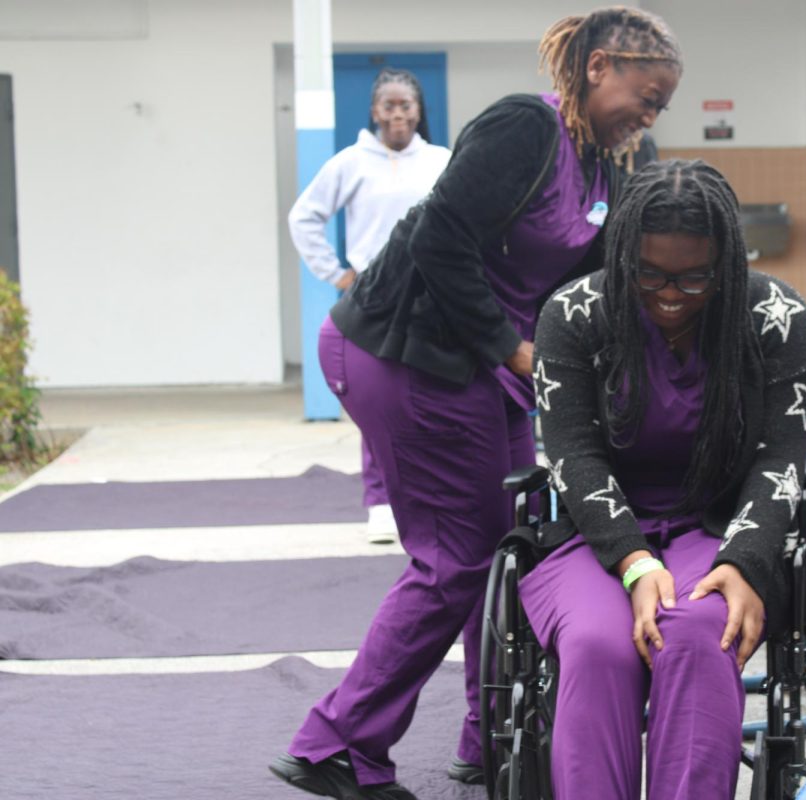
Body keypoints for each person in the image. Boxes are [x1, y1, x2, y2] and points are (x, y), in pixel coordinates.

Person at [269, 8, 683, 800]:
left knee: (515, 546)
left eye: (661, 104)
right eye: (645, 92)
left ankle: (487, 734)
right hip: (406, 351)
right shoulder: (524, 129)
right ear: (599, 68)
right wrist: (513, 349)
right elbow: (440, 241)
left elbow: (593, 288)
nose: (650, 112)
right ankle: (338, 743)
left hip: (482, 368)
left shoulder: (605, 171)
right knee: (457, 556)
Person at [521, 159, 806, 800]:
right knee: (600, 645)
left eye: (695, 277)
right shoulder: (574, 314)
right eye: (649, 273)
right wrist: (632, 562)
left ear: (730, 263)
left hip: (721, 528)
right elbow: (571, 453)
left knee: (698, 634)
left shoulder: (775, 316)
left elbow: (780, 460)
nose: (670, 294)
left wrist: (744, 564)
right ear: (622, 253)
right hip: (597, 535)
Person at [288, 68, 451, 545]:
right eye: (389, 105)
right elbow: (305, 216)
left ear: (419, 110)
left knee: (432, 397)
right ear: (375, 112)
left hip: (433, 297)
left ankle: (430, 498)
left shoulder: (442, 161)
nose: (398, 114)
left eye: (406, 105)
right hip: (372, 300)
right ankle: (381, 503)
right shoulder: (350, 162)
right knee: (377, 400)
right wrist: (337, 273)